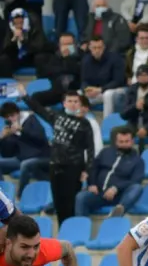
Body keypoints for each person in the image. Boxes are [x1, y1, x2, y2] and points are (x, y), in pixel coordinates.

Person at [24, 88, 95, 224]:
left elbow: (91, 150)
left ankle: (71, 233)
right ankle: (62, 232)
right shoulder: (57, 117)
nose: (73, 104)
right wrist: (25, 97)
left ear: (80, 104)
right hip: (55, 165)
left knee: (70, 203)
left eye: (76, 101)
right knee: (58, 202)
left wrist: (87, 170)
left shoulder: (85, 123)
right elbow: (39, 110)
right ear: (64, 103)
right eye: (70, 101)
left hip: (74, 167)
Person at [75, 127, 144, 217]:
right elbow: (93, 168)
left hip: (119, 196)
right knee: (81, 197)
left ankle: (118, 210)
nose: (124, 144)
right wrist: (92, 184)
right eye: (121, 142)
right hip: (98, 193)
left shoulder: (138, 160)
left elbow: (135, 180)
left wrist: (116, 188)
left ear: (132, 142)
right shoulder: (105, 152)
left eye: (127, 141)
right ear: (116, 142)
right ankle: (81, 228)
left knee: (137, 188)